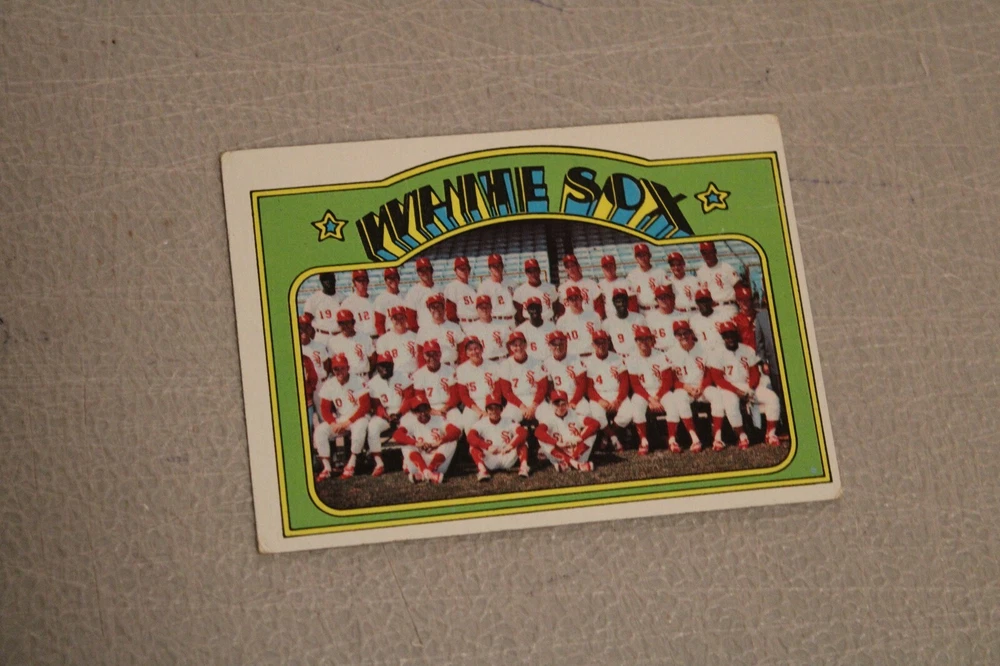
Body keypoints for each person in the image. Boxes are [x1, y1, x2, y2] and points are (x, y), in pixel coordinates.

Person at [709, 321, 782, 449]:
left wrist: (751, 389)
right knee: (731, 404)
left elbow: (754, 373)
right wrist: (737, 391)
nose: (730, 338)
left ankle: (770, 434)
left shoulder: (747, 350)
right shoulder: (717, 353)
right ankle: (742, 436)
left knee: (772, 398)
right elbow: (718, 379)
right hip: (728, 387)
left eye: (732, 334)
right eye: (726, 336)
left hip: (747, 385)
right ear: (722, 337)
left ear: (736, 334)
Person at [664, 320, 725, 453]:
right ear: (675, 336)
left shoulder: (704, 348)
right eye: (679, 334)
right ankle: (694, 439)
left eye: (685, 332)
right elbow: (672, 379)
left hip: (703, 386)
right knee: (679, 398)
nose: (683, 336)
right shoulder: (671, 353)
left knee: (717, 395)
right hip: (684, 388)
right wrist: (685, 387)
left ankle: (718, 437)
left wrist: (701, 387)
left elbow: (709, 373)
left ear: (691, 333)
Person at [314, 353, 371, 481]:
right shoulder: (329, 384)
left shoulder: (358, 381)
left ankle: (351, 463)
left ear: (348, 368)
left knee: (360, 426)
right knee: (320, 430)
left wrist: (346, 423)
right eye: (336, 369)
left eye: (342, 368)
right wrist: (333, 423)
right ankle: (327, 468)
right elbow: (324, 409)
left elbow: (365, 406)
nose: (339, 371)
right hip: (342, 418)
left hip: (359, 416)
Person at [390, 393, 461, 484]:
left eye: (425, 409)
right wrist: (416, 443)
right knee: (406, 444)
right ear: (414, 412)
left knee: (451, 441)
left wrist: (439, 442)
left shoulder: (438, 419)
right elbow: (396, 435)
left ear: (429, 409)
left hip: (438, 463)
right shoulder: (411, 421)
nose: (423, 413)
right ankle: (429, 474)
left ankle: (424, 473)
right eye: (419, 411)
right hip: (418, 463)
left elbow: (456, 431)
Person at [625, 325, 673, 455]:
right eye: (640, 339)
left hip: (660, 390)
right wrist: (650, 399)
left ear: (652, 340)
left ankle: (672, 440)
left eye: (647, 339)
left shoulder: (661, 355)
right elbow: (635, 385)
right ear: (636, 342)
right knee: (637, 406)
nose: (644, 342)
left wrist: (657, 397)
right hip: (643, 392)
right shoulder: (631, 358)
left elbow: (667, 380)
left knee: (672, 403)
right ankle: (643, 441)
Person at [583, 329, 632, 452]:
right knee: (596, 414)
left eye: (603, 342)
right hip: (599, 395)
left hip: (616, 393)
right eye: (597, 343)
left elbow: (624, 383)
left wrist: (618, 400)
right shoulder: (588, 361)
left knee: (628, 413)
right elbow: (589, 388)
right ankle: (614, 438)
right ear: (593, 345)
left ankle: (606, 436)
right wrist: (599, 400)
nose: (601, 345)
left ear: (608, 342)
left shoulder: (617, 358)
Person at [365, 353, 412, 477]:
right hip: (385, 414)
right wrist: (387, 416)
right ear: (377, 367)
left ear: (393, 365)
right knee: (373, 426)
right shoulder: (373, 383)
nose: (385, 368)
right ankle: (379, 463)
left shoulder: (403, 377)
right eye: (382, 365)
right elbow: (376, 406)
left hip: (402, 411)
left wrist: (399, 414)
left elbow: (408, 399)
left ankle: (407, 459)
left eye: (388, 365)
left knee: (408, 424)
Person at [467, 391, 531, 481]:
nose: (494, 411)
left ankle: (524, 467)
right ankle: (482, 470)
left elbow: (523, 432)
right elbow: (470, 437)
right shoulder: (481, 423)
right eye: (490, 409)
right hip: (490, 458)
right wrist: (487, 447)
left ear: (501, 409)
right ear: (486, 410)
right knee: (472, 446)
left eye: (497, 408)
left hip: (507, 455)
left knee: (523, 441)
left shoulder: (508, 420)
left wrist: (510, 446)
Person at [535, 390, 601, 472]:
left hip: (577, 451)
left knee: (592, 434)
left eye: (563, 404)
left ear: (567, 404)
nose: (560, 408)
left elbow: (595, 424)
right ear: (551, 405)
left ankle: (567, 464)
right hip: (559, 452)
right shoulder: (548, 417)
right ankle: (576, 464)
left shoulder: (574, 414)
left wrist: (580, 438)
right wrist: (556, 443)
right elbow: (538, 432)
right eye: (557, 404)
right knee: (541, 440)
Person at [537, 330, 589, 425]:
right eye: (554, 344)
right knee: (546, 418)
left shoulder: (575, 358)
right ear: (549, 346)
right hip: (558, 398)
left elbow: (582, 384)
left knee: (586, 412)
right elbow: (549, 388)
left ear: (566, 343)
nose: (558, 347)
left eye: (561, 344)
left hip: (575, 396)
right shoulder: (547, 363)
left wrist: (573, 402)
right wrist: (557, 401)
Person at [498, 331, 548, 425]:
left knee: (549, 417)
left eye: (521, 344)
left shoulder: (537, 362)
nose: (518, 348)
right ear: (510, 347)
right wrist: (522, 407)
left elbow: (542, 388)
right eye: (515, 345)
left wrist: (533, 406)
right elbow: (507, 392)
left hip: (535, 399)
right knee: (506, 421)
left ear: (525, 345)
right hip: (516, 401)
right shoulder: (505, 365)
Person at [455, 336, 502, 431]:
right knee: (468, 423)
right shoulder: (461, 369)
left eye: (476, 348)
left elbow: (498, 391)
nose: (474, 352)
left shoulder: (494, 366)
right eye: (470, 350)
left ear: (481, 349)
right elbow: (464, 395)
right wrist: (479, 411)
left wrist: (490, 408)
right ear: (466, 353)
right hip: (473, 404)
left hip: (493, 402)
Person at [410, 340, 462, 423]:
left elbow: (455, 396)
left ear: (440, 354)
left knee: (458, 421)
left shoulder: (450, 370)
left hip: (448, 406)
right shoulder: (418, 374)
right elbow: (420, 398)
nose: (432, 358)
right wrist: (432, 411)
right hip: (428, 408)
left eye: (435, 354)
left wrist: (445, 408)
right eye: (428, 355)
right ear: (424, 356)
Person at [695, 241, 741, 320]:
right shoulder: (700, 272)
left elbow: (738, 287)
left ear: (715, 251)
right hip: (712, 309)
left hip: (728, 307)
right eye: (704, 253)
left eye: (710, 252)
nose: (707, 255)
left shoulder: (727, 267)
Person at [326, 309, 375, 382]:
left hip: (362, 377)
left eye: (347, 322)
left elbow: (373, 360)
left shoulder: (365, 338)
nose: (345, 326)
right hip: (344, 379)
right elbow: (330, 363)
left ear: (353, 322)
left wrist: (368, 374)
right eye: (341, 323)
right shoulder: (333, 341)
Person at [416, 293, 465, 366]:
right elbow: (420, 354)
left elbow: (462, 350)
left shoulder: (455, 327)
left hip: (452, 366)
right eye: (433, 307)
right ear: (429, 310)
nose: (436, 309)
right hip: (433, 368)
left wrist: (462, 368)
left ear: (444, 308)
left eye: (438, 306)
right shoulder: (423, 330)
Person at [299, 314, 329, 429]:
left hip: (320, 384)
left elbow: (326, 365)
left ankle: (329, 440)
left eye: (307, 327)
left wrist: (322, 378)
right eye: (301, 328)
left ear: (311, 329)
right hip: (305, 386)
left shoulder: (319, 346)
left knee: (324, 416)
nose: (304, 331)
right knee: (307, 419)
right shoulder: (295, 347)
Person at [375, 306, 419, 380]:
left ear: (406, 318)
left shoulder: (416, 337)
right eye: (396, 319)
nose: (399, 321)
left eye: (401, 318)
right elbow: (382, 365)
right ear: (391, 320)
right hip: (395, 377)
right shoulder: (383, 340)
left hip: (415, 375)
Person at [463, 295, 512, 362]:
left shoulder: (503, 324)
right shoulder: (470, 329)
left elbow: (511, 345)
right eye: (481, 308)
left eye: (487, 307)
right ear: (477, 309)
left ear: (491, 308)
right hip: (484, 362)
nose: (484, 310)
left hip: (502, 360)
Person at [601, 288, 647, 360]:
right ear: (613, 303)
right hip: (619, 358)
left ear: (628, 301)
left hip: (638, 357)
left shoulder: (639, 318)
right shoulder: (607, 323)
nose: (621, 304)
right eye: (618, 302)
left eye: (623, 301)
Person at [556, 286, 601, 357]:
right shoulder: (562, 321)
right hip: (573, 357)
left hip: (592, 355)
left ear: (581, 299)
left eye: (576, 298)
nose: (574, 302)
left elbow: (600, 339)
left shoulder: (594, 316)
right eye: (571, 299)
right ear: (567, 302)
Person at [405, 257, 444, 332]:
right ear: (418, 273)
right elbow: (410, 318)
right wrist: (418, 333)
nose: (424, 273)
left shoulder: (441, 289)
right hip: (425, 330)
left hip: (442, 329)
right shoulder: (413, 292)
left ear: (431, 270)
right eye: (421, 271)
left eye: (426, 269)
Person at [513, 258, 558, 322]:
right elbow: (518, 313)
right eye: (530, 272)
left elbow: (556, 306)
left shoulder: (551, 288)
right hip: (529, 323)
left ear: (539, 271)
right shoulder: (520, 291)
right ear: (526, 273)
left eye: (535, 270)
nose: (533, 274)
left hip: (547, 321)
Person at [303, 272, 341, 348]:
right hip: (321, 337)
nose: (328, 282)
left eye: (330, 278)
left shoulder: (343, 298)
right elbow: (306, 322)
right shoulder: (313, 299)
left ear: (334, 279)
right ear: (321, 282)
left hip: (339, 336)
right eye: (325, 280)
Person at [626, 243, 668, 313]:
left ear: (649, 256)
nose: (642, 258)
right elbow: (631, 297)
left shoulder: (660, 272)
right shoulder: (632, 275)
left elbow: (668, 294)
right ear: (636, 258)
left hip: (658, 309)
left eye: (644, 255)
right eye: (639, 256)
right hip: (641, 311)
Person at [476, 253, 516, 323]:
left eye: (498, 265)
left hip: (512, 320)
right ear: (490, 268)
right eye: (494, 266)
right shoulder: (484, 286)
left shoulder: (511, 283)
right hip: (495, 321)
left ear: (502, 266)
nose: (497, 268)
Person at [644, 284, 683, 353]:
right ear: (656, 300)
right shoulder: (650, 318)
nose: (664, 300)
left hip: (677, 352)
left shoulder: (681, 316)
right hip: (658, 352)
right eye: (660, 298)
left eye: (666, 297)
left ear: (671, 298)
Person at [339, 269, 378, 338]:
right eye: (359, 280)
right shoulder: (348, 303)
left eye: (364, 280)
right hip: (359, 339)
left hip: (376, 337)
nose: (362, 283)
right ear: (354, 283)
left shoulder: (375, 300)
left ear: (368, 281)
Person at [594, 254, 634, 319]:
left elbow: (633, 304)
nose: (609, 268)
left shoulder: (625, 283)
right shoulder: (599, 286)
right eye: (606, 266)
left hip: (624, 318)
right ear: (602, 269)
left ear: (615, 267)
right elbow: (599, 308)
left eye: (611, 265)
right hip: (608, 319)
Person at [444, 256, 479, 330]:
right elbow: (451, 313)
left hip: (477, 323)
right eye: (461, 269)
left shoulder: (473, 287)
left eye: (465, 268)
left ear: (469, 270)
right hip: (463, 324)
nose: (464, 271)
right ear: (455, 271)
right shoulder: (452, 287)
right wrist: (456, 328)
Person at [373, 267, 406, 336]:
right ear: (385, 281)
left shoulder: (406, 297)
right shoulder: (381, 299)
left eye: (395, 277)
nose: (393, 280)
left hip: (405, 333)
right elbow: (379, 324)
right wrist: (384, 339)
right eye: (390, 278)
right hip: (390, 335)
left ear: (398, 279)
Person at [731, 284, 757, 350]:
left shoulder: (760, 317)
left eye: (747, 299)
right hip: (745, 353)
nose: (744, 302)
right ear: (738, 302)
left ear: (752, 301)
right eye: (741, 300)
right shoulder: (735, 320)